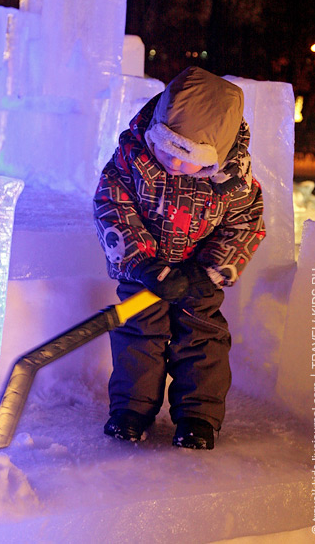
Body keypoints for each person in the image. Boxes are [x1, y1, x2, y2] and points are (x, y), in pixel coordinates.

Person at [93, 66, 265, 449]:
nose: (171, 162)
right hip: (147, 271)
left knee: (201, 336)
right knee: (140, 332)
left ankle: (198, 415)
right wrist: (140, 262)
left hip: (198, 276)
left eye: (185, 156)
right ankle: (132, 409)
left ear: (214, 156)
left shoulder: (235, 183)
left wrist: (211, 272)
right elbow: (112, 204)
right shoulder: (133, 160)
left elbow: (245, 226)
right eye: (164, 148)